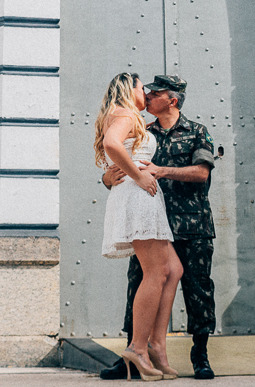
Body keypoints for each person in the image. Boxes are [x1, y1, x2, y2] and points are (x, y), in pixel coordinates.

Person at [101, 74, 217, 381]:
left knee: (197, 289)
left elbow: (201, 173)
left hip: (191, 222)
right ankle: (136, 351)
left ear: (172, 99)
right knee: (139, 282)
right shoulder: (142, 127)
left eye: (156, 93)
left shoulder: (196, 132)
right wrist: (109, 179)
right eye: (146, 90)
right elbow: (119, 164)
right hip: (150, 217)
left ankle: (199, 355)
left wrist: (159, 171)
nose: (149, 96)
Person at [94, 72, 185, 381]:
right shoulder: (124, 113)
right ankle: (138, 348)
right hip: (138, 196)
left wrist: (118, 174)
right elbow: (111, 144)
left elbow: (115, 155)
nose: (145, 94)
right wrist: (138, 175)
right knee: (157, 271)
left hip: (142, 197)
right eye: (140, 88)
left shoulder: (128, 116)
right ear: (126, 89)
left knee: (173, 269)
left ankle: (156, 345)